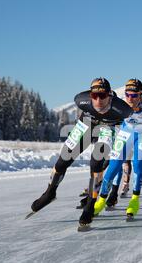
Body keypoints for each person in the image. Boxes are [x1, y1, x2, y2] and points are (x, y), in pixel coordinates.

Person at [27, 78, 133, 231]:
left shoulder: (122, 109)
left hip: (109, 128)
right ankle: (49, 193)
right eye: (94, 96)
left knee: (96, 163)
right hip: (87, 123)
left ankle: (90, 205)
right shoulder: (81, 100)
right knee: (63, 160)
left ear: (110, 96)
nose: (98, 100)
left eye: (102, 96)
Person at [93, 78, 142, 221]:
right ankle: (101, 200)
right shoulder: (122, 105)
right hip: (126, 134)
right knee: (113, 165)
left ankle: (134, 200)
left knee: (138, 164)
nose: (130, 98)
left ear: (141, 94)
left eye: (134, 95)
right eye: (127, 94)